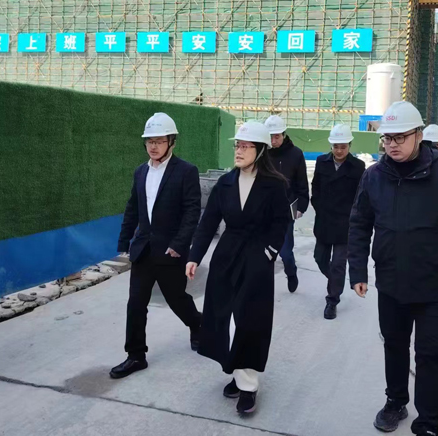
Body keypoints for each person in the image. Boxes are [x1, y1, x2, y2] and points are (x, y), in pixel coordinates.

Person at [348, 101, 438, 436]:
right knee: (394, 346)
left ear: (419, 135)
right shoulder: (374, 176)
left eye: (400, 137)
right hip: (390, 283)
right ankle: (395, 401)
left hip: (435, 286)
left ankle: (429, 421)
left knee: (430, 354)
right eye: (387, 138)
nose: (391, 144)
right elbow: (360, 224)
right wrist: (358, 271)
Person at [186, 121, 289, 415]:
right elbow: (208, 222)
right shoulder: (225, 183)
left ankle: (248, 386)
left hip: (257, 258)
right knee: (222, 318)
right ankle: (235, 369)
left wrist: (269, 253)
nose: (239, 151)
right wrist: (194, 256)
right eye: (237, 145)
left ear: (261, 150)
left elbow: (281, 223)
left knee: (250, 320)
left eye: (245, 146)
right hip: (227, 256)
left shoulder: (274, 184)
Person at [111, 112, 202, 379]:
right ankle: (135, 355)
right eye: (150, 141)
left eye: (159, 141)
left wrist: (179, 244)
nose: (153, 146)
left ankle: (198, 324)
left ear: (171, 142)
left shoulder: (186, 171)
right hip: (143, 250)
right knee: (136, 304)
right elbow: (133, 207)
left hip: (170, 251)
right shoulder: (141, 171)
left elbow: (192, 212)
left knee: (177, 300)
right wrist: (124, 240)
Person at [311, 124, 365, 320]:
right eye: (336, 146)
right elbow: (315, 187)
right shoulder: (321, 162)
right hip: (324, 221)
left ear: (350, 145)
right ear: (331, 146)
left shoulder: (358, 167)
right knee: (320, 258)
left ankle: (332, 300)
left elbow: (361, 195)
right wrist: (318, 206)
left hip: (345, 224)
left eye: (343, 147)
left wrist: (354, 216)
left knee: (338, 265)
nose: (339, 151)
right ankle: (335, 281)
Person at [265, 115, 309, 293]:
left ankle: (291, 272)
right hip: (263, 210)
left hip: (285, 212)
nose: (273, 141)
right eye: (270, 137)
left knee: (285, 252)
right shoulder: (262, 153)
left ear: (284, 135)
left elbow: (302, 184)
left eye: (277, 136)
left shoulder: (296, 154)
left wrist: (301, 207)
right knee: (264, 253)